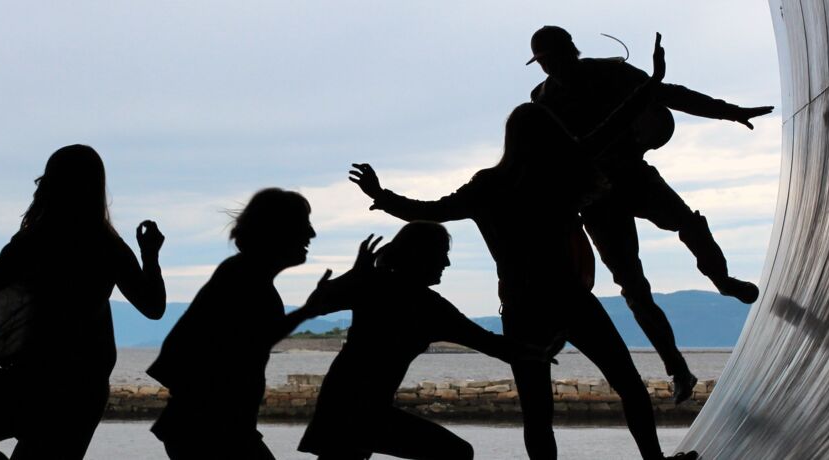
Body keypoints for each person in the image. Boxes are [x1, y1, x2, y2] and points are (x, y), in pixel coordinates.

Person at [351, 35, 695, 460]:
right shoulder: (563, 176)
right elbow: (614, 126)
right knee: (628, 385)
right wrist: (652, 82)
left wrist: (382, 195)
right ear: (552, 135)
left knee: (537, 412)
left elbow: (429, 211)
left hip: (521, 307)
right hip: (571, 298)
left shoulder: (487, 187)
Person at [527, 25, 774, 402]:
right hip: (594, 201)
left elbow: (668, 94)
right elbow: (548, 159)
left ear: (571, 50)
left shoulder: (611, 72)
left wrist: (729, 112)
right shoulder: (541, 99)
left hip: (633, 176)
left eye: (553, 58)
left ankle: (722, 280)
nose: (549, 68)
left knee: (689, 224)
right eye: (543, 62)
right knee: (634, 289)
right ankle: (678, 370)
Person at [0, 145, 166, 459]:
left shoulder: (37, 240)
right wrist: (150, 256)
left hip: (31, 378)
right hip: (82, 389)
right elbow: (153, 306)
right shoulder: (107, 245)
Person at [297, 225, 546, 460]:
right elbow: (492, 344)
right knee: (455, 452)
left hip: (345, 403)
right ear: (420, 254)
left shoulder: (379, 285)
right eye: (442, 254)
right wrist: (536, 352)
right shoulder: (427, 305)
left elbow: (316, 304)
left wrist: (353, 276)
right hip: (360, 410)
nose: (446, 263)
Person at [148, 188, 336, 460]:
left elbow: (253, 340)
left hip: (207, 427)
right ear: (278, 231)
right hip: (212, 429)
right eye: (303, 225)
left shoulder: (242, 274)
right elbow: (252, 342)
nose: (311, 234)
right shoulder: (245, 279)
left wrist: (307, 311)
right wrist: (306, 312)